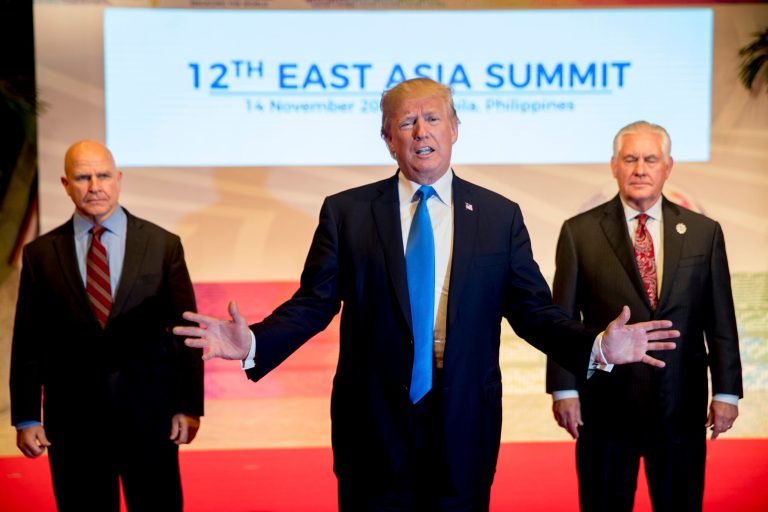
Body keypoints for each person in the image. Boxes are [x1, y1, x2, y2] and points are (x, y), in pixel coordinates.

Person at [175, 79, 678, 512]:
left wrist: (596, 346)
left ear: (454, 129)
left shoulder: (499, 216)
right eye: (407, 122)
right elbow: (314, 303)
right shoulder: (347, 213)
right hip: (372, 421)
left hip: (464, 417)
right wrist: (254, 342)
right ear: (387, 138)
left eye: (433, 119)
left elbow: (533, 311)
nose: (421, 131)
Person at [545, 121, 743, 512]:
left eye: (650, 159)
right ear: (613, 165)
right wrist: (564, 390)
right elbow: (562, 320)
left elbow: (721, 318)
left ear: (668, 166)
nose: (640, 169)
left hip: (680, 406)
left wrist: (726, 392)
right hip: (605, 409)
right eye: (630, 159)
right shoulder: (578, 232)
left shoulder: (704, 233)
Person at [10, 140, 204, 511]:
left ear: (119, 179)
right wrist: (27, 416)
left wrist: (189, 405)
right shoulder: (41, 254)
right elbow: (29, 341)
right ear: (66, 184)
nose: (95, 186)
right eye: (83, 177)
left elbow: (186, 333)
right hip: (73, 423)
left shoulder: (163, 245)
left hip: (151, 417)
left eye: (103, 175)